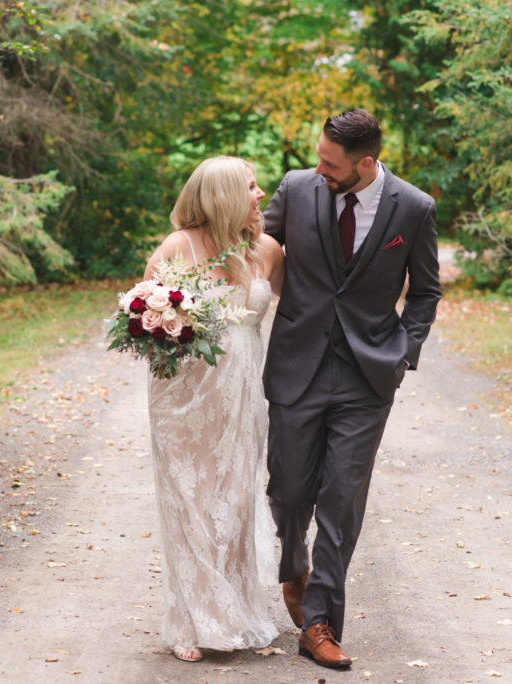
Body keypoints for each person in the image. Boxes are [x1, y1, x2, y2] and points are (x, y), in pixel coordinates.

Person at [262, 109, 442, 669]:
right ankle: (294, 566)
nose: (318, 168)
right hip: (297, 365)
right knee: (289, 494)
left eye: (330, 162)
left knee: (342, 499)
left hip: (367, 376)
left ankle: (319, 623)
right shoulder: (296, 188)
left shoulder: (412, 208)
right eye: (318, 155)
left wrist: (402, 351)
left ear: (366, 163)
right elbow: (251, 250)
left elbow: (426, 291)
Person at [144, 156, 285, 663]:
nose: (260, 194)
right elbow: (147, 320)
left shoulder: (267, 250)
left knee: (234, 497)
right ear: (224, 195)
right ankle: (190, 620)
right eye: (250, 186)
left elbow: (301, 315)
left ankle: (235, 611)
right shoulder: (177, 248)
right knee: (190, 500)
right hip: (184, 395)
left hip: (244, 393)